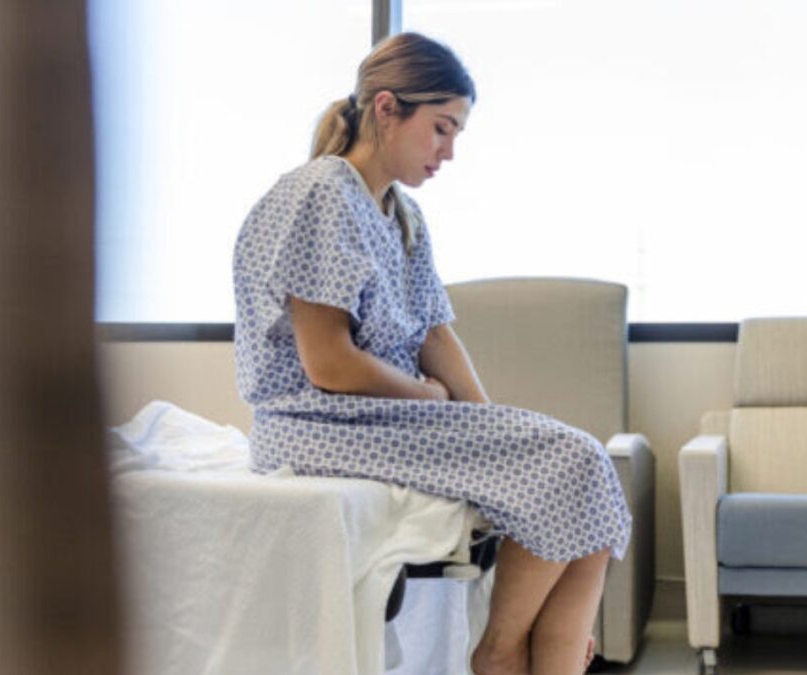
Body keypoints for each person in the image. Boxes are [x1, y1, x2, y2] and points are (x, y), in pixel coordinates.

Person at [232, 32, 632, 674]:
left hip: (379, 417)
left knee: (588, 486)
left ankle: (549, 653)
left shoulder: (401, 214)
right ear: (387, 108)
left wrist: (489, 426)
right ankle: (499, 654)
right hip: (315, 424)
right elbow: (327, 365)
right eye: (442, 129)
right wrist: (428, 398)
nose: (449, 151)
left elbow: (435, 334)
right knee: (576, 460)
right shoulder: (321, 193)